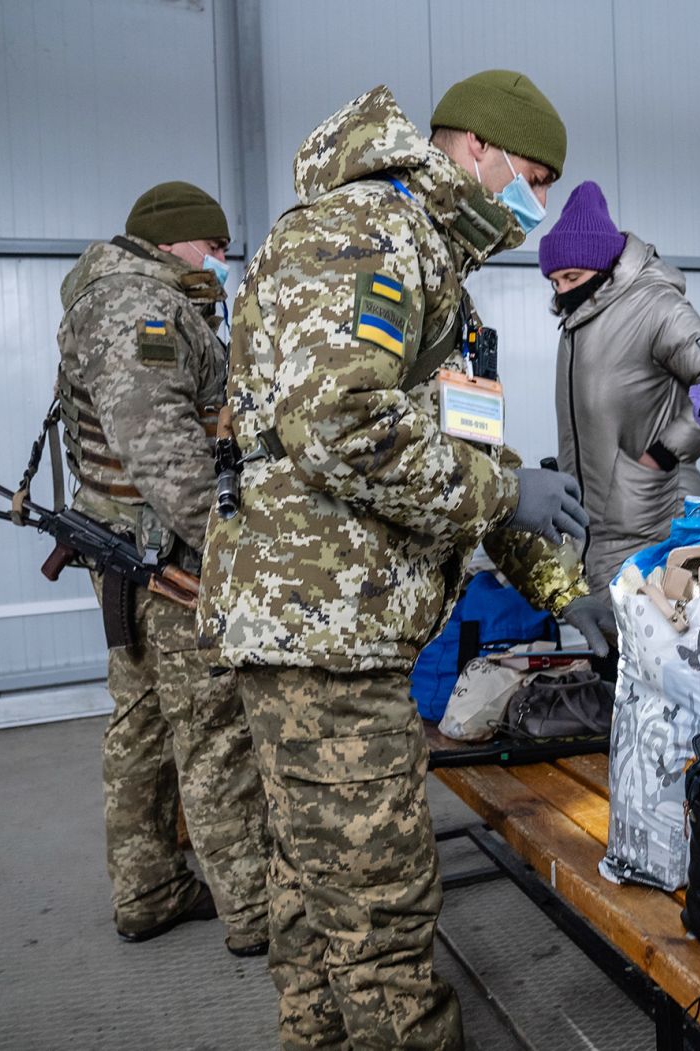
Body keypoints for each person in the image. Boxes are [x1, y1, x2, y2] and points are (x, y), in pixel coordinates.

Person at [198, 74, 614, 1049]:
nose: (538, 205)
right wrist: (506, 495)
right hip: (321, 627)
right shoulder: (366, 234)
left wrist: (561, 587)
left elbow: (455, 451)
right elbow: (340, 425)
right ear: (475, 150)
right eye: (533, 176)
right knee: (383, 907)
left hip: (344, 626)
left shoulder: (429, 260)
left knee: (313, 886)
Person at [55, 182, 269, 955]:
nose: (219, 260)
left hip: (129, 550)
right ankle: (254, 910)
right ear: (174, 239)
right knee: (213, 730)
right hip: (166, 556)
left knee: (140, 721)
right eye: (212, 246)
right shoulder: (137, 308)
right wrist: (235, 551)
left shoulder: (126, 297)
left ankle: (148, 888)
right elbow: (165, 452)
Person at [540, 180, 700, 601]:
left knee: (663, 654)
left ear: (603, 266)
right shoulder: (578, 322)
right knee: (616, 658)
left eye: (572, 277)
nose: (563, 291)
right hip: (596, 533)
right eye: (555, 281)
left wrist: (662, 455)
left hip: (655, 524)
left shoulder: (656, 306)